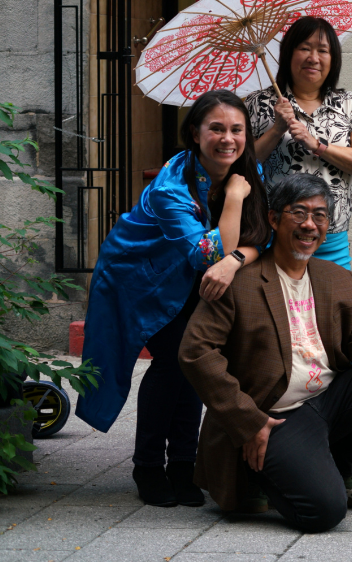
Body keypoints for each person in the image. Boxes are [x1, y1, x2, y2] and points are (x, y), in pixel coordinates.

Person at [179, 174, 352, 532]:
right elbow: (195, 351)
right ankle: (261, 474)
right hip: (276, 415)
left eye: (320, 215)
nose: (310, 224)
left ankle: (346, 470)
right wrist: (249, 421)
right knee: (324, 512)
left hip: (329, 400)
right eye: (299, 213)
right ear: (274, 219)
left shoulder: (337, 279)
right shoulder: (240, 280)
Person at [77, 90, 270, 508]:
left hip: (192, 279)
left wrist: (235, 260)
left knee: (193, 363)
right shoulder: (172, 188)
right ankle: (147, 466)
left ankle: (183, 465)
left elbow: (261, 236)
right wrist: (235, 203)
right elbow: (206, 254)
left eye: (237, 129)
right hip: (138, 279)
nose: (228, 138)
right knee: (171, 364)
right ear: (194, 134)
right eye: (216, 128)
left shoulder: (244, 171)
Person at [247, 15, 352, 270]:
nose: (313, 58)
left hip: (331, 239)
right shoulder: (259, 103)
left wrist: (317, 145)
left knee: (333, 306)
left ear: (333, 59)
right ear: (288, 54)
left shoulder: (349, 102)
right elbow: (245, 164)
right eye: (304, 48)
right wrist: (276, 131)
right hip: (276, 238)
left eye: (322, 50)